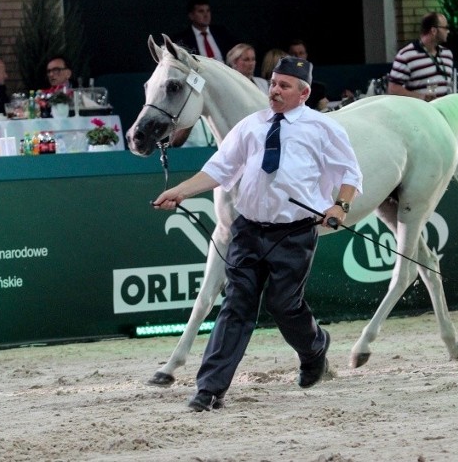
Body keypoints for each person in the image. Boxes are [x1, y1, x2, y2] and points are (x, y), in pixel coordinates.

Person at [152, 56, 362, 412]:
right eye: (273, 83)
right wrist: (181, 191)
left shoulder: (323, 128)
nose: (275, 91)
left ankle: (314, 349)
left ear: (304, 92)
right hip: (248, 229)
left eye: (284, 86)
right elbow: (219, 169)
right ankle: (209, 389)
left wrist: (339, 207)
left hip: (294, 233)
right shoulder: (251, 126)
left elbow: (350, 173)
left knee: (284, 305)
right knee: (236, 306)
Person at [387, 11, 454, 101]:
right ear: (433, 31)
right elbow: (393, 89)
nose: (448, 31)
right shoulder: (406, 55)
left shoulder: (447, 54)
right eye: (445, 28)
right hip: (419, 112)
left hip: (442, 111)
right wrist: (420, 97)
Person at [171, 0, 237, 63]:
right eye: (201, 11)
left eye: (208, 11)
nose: (206, 15)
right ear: (191, 16)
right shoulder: (183, 39)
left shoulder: (221, 32)